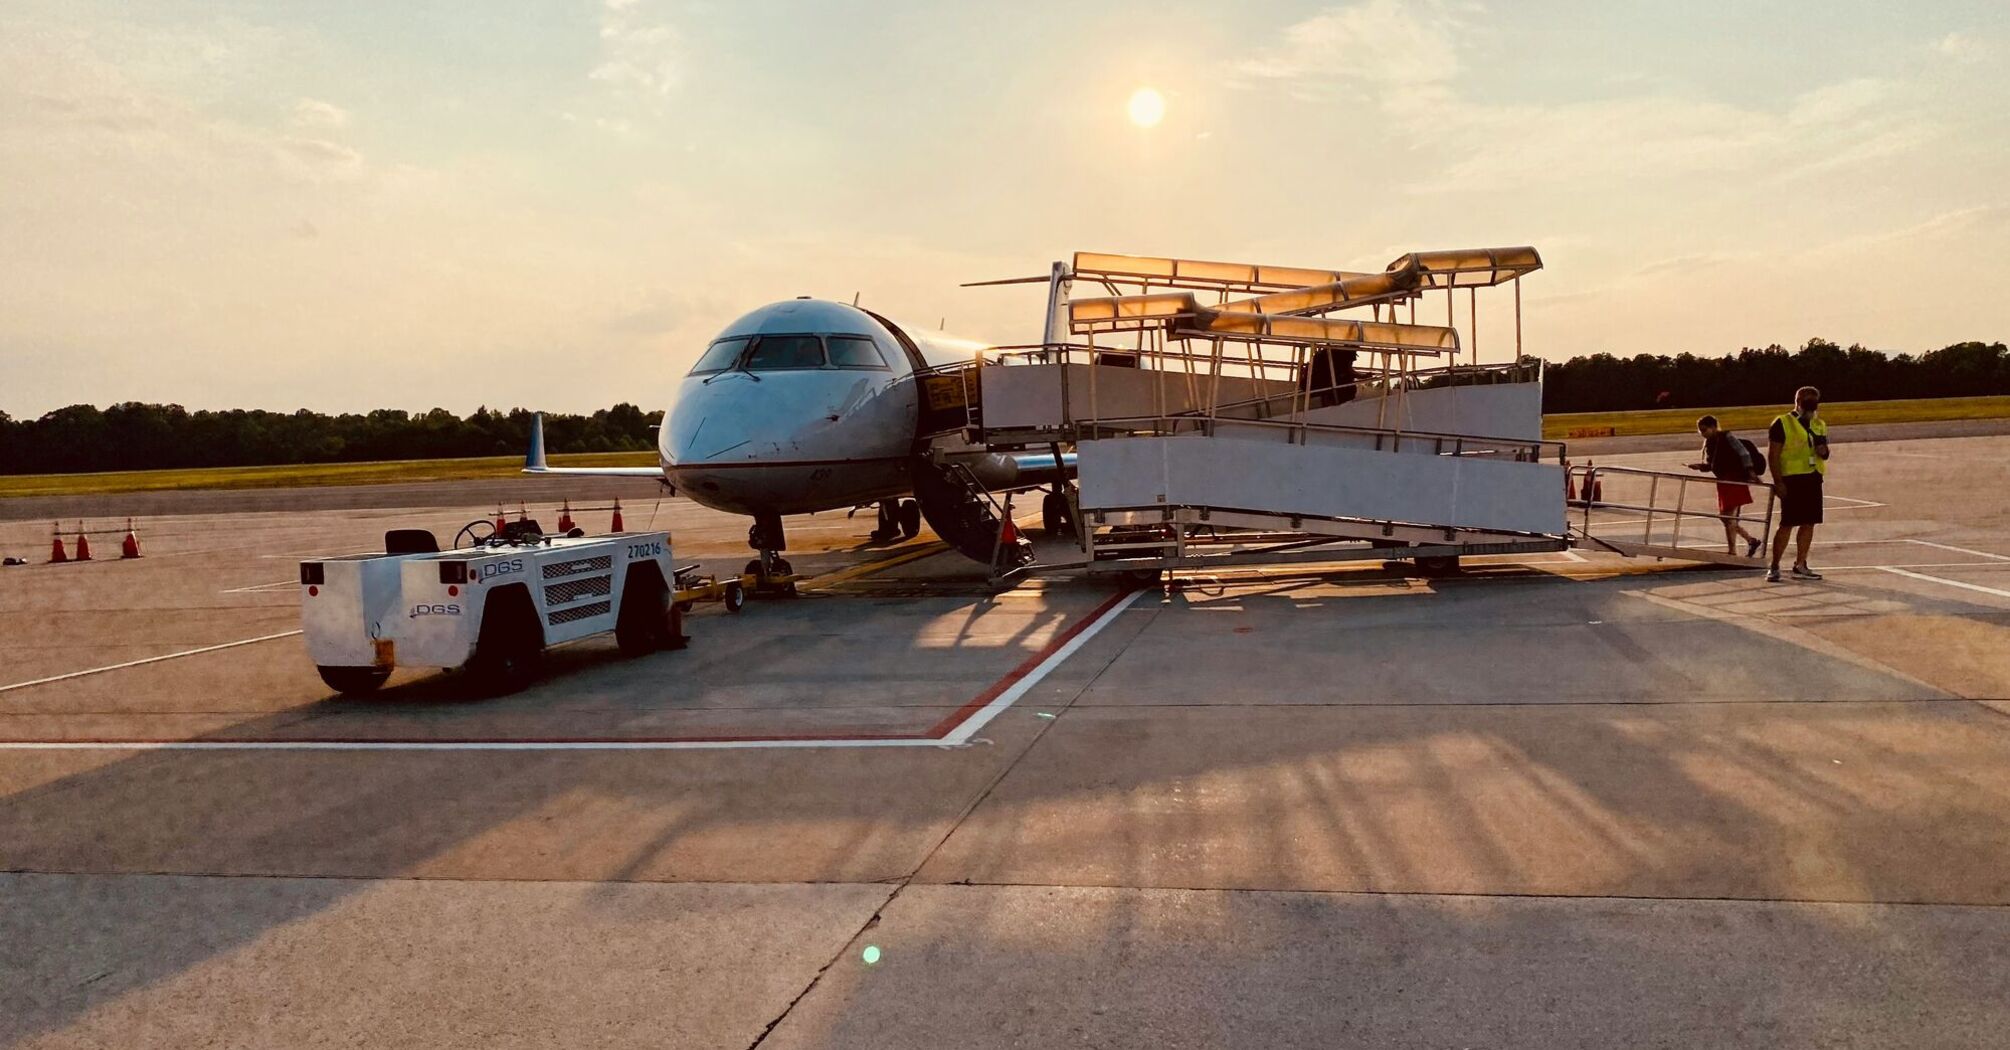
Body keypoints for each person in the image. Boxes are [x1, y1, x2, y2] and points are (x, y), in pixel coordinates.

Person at [1765, 385, 1830, 583]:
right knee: (1787, 523)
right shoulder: (1782, 423)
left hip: (1813, 477)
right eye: (1808, 401)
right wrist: (1778, 481)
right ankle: (1774, 565)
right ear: (1798, 401)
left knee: (1809, 523)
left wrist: (1823, 450)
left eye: (1814, 401)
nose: (1811, 405)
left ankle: (1801, 563)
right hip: (1792, 479)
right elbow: (1773, 455)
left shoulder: (1819, 424)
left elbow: (1825, 453)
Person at [1686, 415, 1763, 557]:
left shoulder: (1727, 437)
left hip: (1734, 480)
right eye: (1700, 431)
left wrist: (1751, 473)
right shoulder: (1710, 443)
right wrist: (1700, 466)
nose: (1703, 433)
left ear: (1714, 427)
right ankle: (1750, 540)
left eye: (1705, 430)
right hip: (1723, 481)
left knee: (1727, 517)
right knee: (1726, 517)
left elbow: (1744, 454)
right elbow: (1713, 464)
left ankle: (1733, 550)